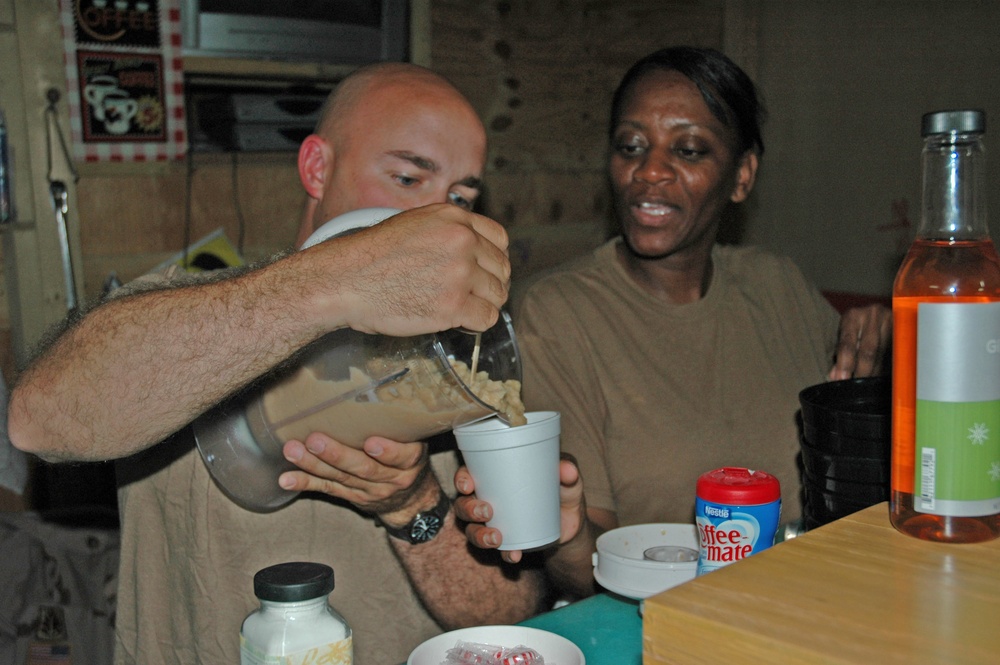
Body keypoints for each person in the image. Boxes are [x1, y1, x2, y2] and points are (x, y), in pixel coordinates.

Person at [8, 63, 549, 664]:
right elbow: (39, 420)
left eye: (459, 199)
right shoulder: (182, 310)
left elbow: (509, 613)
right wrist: (338, 283)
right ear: (318, 168)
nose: (441, 222)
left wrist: (412, 504)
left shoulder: (460, 361)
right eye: (405, 178)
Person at [453, 46, 891, 598]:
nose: (650, 171)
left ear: (741, 175)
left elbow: (874, 467)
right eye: (630, 146)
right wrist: (566, 539)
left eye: (687, 149)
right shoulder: (561, 313)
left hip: (815, 603)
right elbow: (587, 574)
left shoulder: (777, 287)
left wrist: (897, 335)